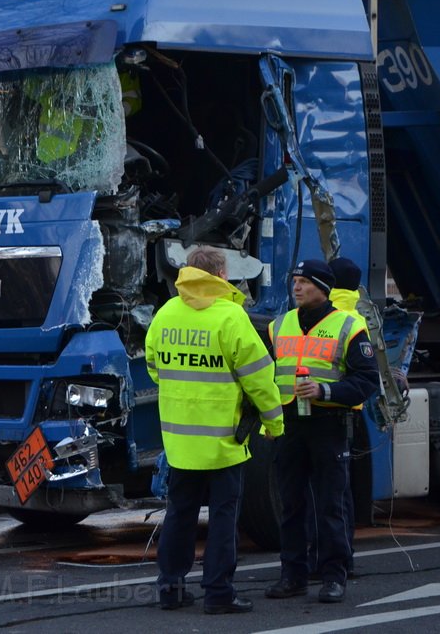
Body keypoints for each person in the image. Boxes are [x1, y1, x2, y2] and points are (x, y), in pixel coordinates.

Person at [145, 246, 283, 614]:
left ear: (189, 272)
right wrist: (274, 422)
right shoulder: (231, 316)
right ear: (221, 275)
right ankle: (219, 592)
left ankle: (170, 589)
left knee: (179, 514)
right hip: (224, 439)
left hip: (180, 440)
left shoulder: (166, 313)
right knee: (223, 515)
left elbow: (154, 367)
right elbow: (260, 379)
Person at [265, 259, 378, 604]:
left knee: (331, 504)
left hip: (329, 425)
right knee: (292, 504)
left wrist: (324, 391)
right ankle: (293, 576)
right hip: (290, 426)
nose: (296, 287)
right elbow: (264, 375)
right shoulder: (278, 326)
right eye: (295, 281)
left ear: (323, 288)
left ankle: (333, 576)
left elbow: (366, 380)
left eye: (304, 282)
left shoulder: (348, 326)